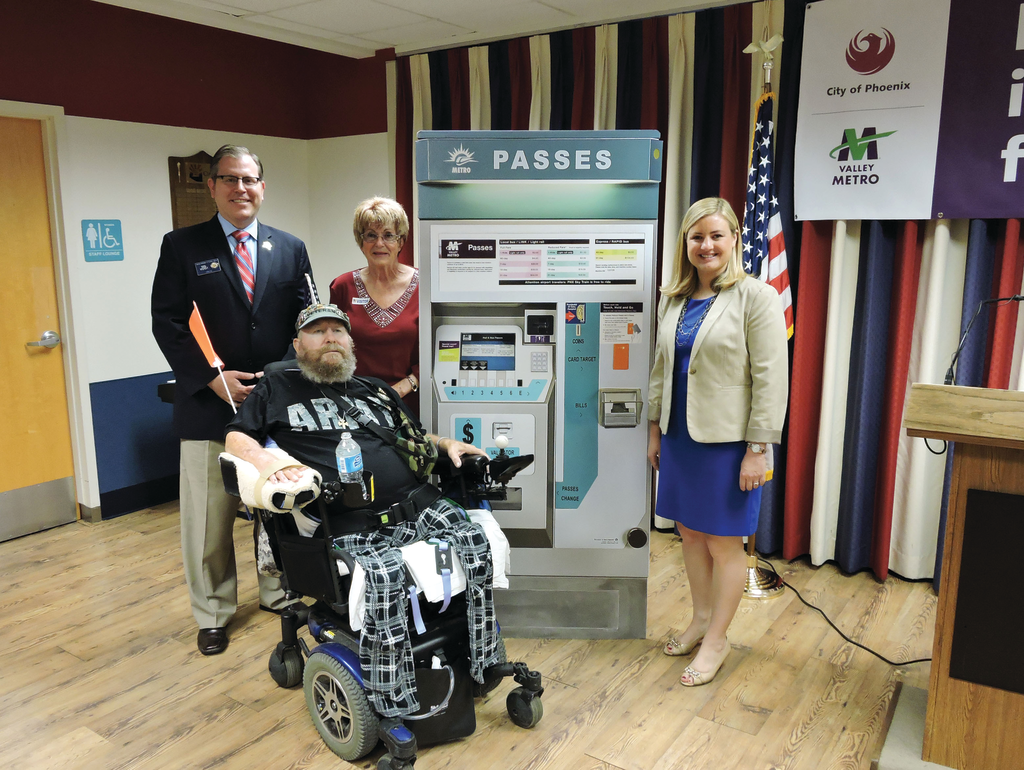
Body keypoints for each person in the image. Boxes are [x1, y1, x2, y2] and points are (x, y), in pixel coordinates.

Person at [224, 303, 500, 717]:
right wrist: (270, 463)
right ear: (298, 346)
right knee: (385, 573)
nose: (330, 337)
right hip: (347, 523)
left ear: (351, 343)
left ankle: (483, 662)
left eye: (338, 330)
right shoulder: (277, 389)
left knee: (476, 543)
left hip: (416, 506)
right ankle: (394, 702)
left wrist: (446, 445)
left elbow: (414, 436)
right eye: (318, 332)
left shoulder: (374, 389)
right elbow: (235, 438)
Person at [151, 144, 311, 656]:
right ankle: (214, 611)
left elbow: (307, 322)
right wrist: (211, 379)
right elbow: (168, 322)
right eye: (229, 179)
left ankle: (277, 590)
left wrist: (280, 377)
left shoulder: (290, 247)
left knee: (278, 506)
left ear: (263, 185)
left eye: (250, 179)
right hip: (207, 406)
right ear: (212, 186)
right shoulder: (182, 246)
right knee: (209, 521)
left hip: (273, 406)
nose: (241, 189)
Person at [647, 197, 788, 687]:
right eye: (696, 237)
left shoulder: (757, 297)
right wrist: (654, 429)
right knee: (689, 534)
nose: (706, 245)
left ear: (734, 240)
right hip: (681, 437)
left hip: (729, 444)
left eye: (716, 236)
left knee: (724, 544)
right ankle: (701, 619)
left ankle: (718, 639)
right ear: (686, 243)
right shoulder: (675, 298)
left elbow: (771, 378)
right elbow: (662, 369)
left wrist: (758, 449)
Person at [329, 196, 420, 415]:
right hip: (357, 404)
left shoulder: (426, 286)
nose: (379, 244)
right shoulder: (342, 286)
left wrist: (400, 389)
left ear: (401, 241)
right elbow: (334, 345)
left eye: (388, 235)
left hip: (412, 402)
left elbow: (441, 348)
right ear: (361, 242)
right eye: (371, 235)